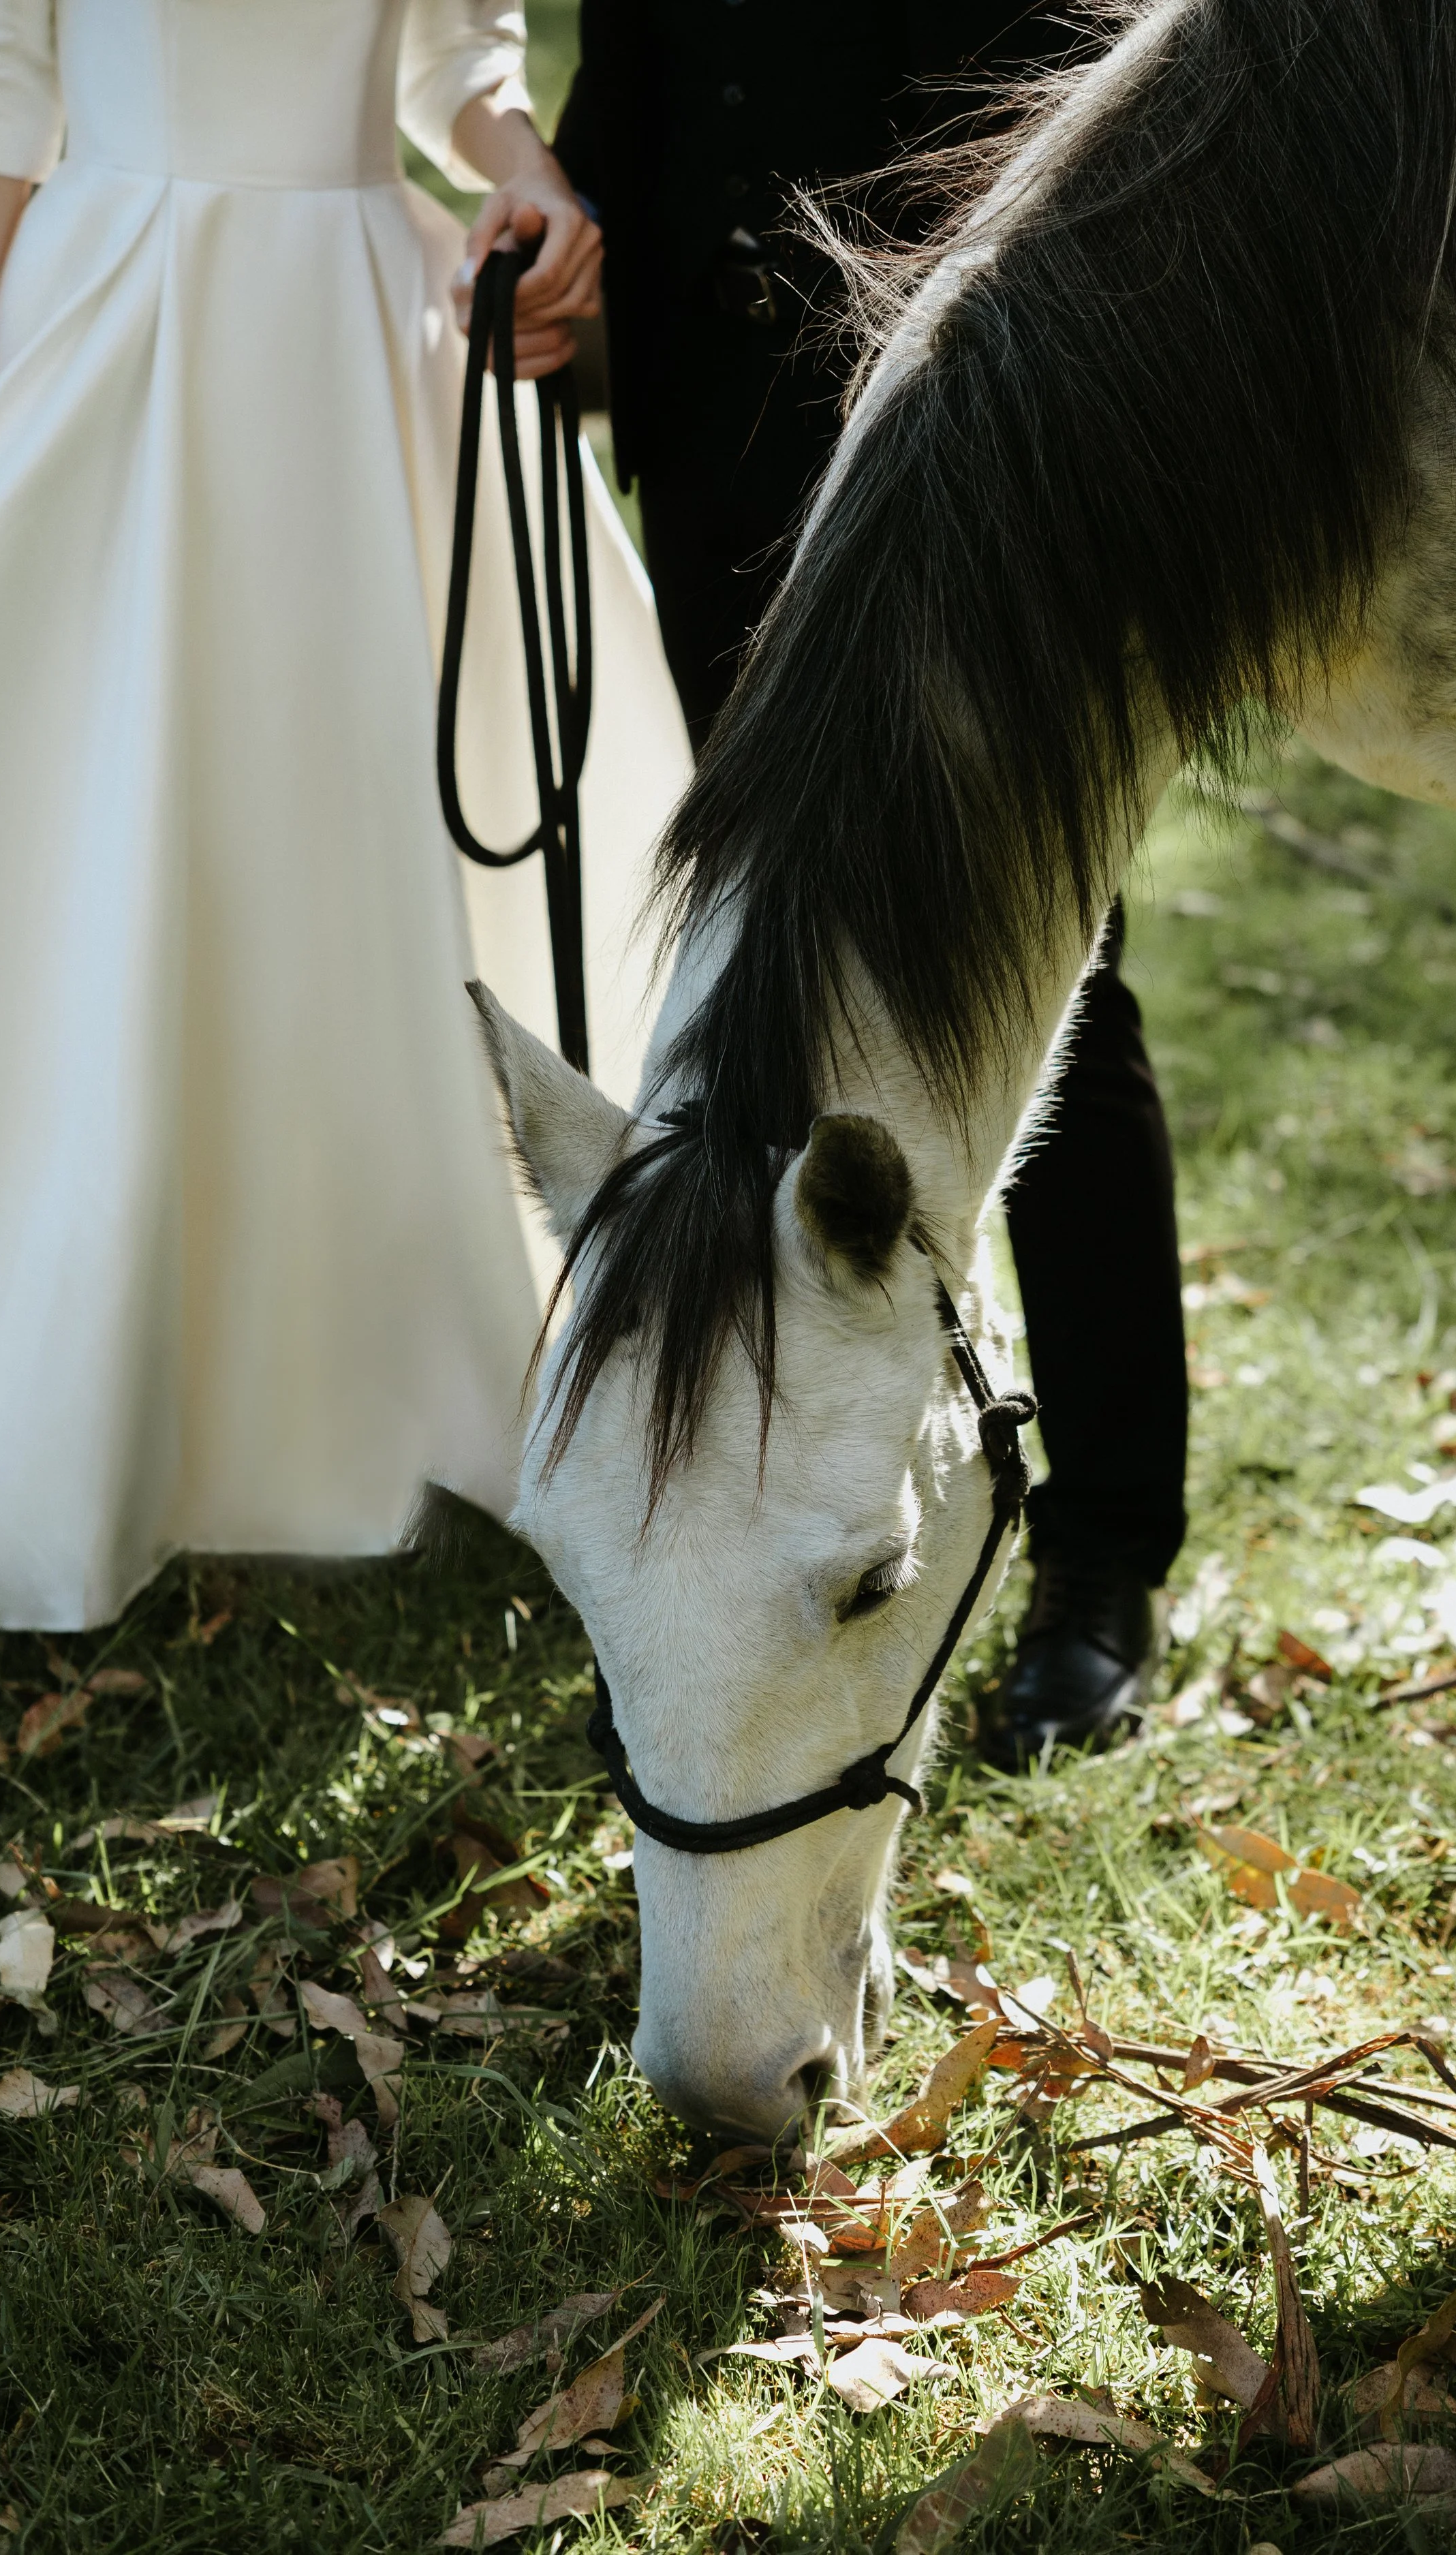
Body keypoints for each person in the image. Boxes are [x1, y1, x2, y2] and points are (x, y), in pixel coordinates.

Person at [0, 0, 690, 1632]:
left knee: (354, 859)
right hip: (120, 317)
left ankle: (377, 1359)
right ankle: (83, 1382)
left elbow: (455, 54)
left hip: (367, 340)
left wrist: (526, 170)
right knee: (104, 839)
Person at [554, 1, 1188, 1759]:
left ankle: (1104, 1554)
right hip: (714, 439)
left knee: (1047, 967)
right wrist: (562, 244)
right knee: (760, 976)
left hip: (982, 442)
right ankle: (764, 1524)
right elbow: (644, 73)